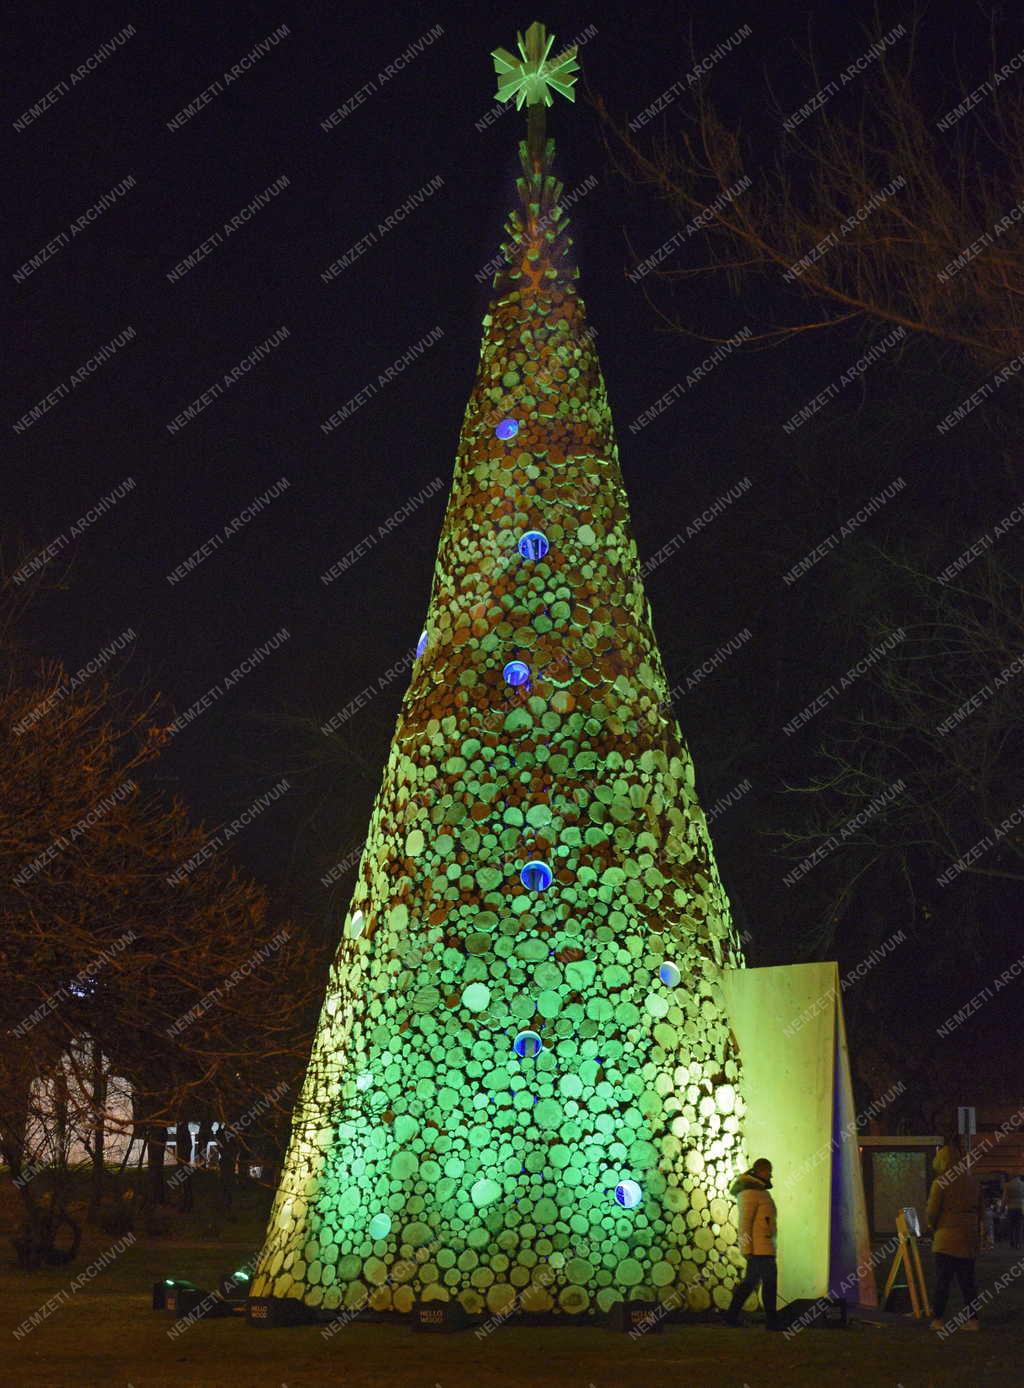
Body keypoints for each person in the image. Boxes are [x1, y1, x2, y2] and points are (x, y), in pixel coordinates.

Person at [927, 1143, 981, 1331]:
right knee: (968, 1282)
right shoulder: (972, 1181)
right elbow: (979, 1209)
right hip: (968, 1236)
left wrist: (932, 1226)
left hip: (946, 1238)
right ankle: (973, 1319)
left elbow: (932, 1212)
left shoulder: (940, 1183)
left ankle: (938, 1318)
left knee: (943, 1280)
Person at [725, 1157, 779, 1330]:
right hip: (760, 1248)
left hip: (761, 1247)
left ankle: (731, 1316)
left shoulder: (756, 1191)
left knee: (750, 1283)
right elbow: (745, 1222)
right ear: (760, 1171)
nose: (770, 1174)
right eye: (768, 1170)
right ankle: (772, 1321)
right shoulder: (751, 1192)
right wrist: (746, 1248)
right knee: (768, 1282)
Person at [1003, 1173, 1023, 1249]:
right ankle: (1018, 1243)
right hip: (1021, 1208)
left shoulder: (1007, 1185)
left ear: (1012, 1176)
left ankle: (1012, 1243)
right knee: (1019, 1227)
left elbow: (1004, 1198)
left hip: (1011, 1208)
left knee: (1011, 1227)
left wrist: (1002, 1208)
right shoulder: (1023, 1185)